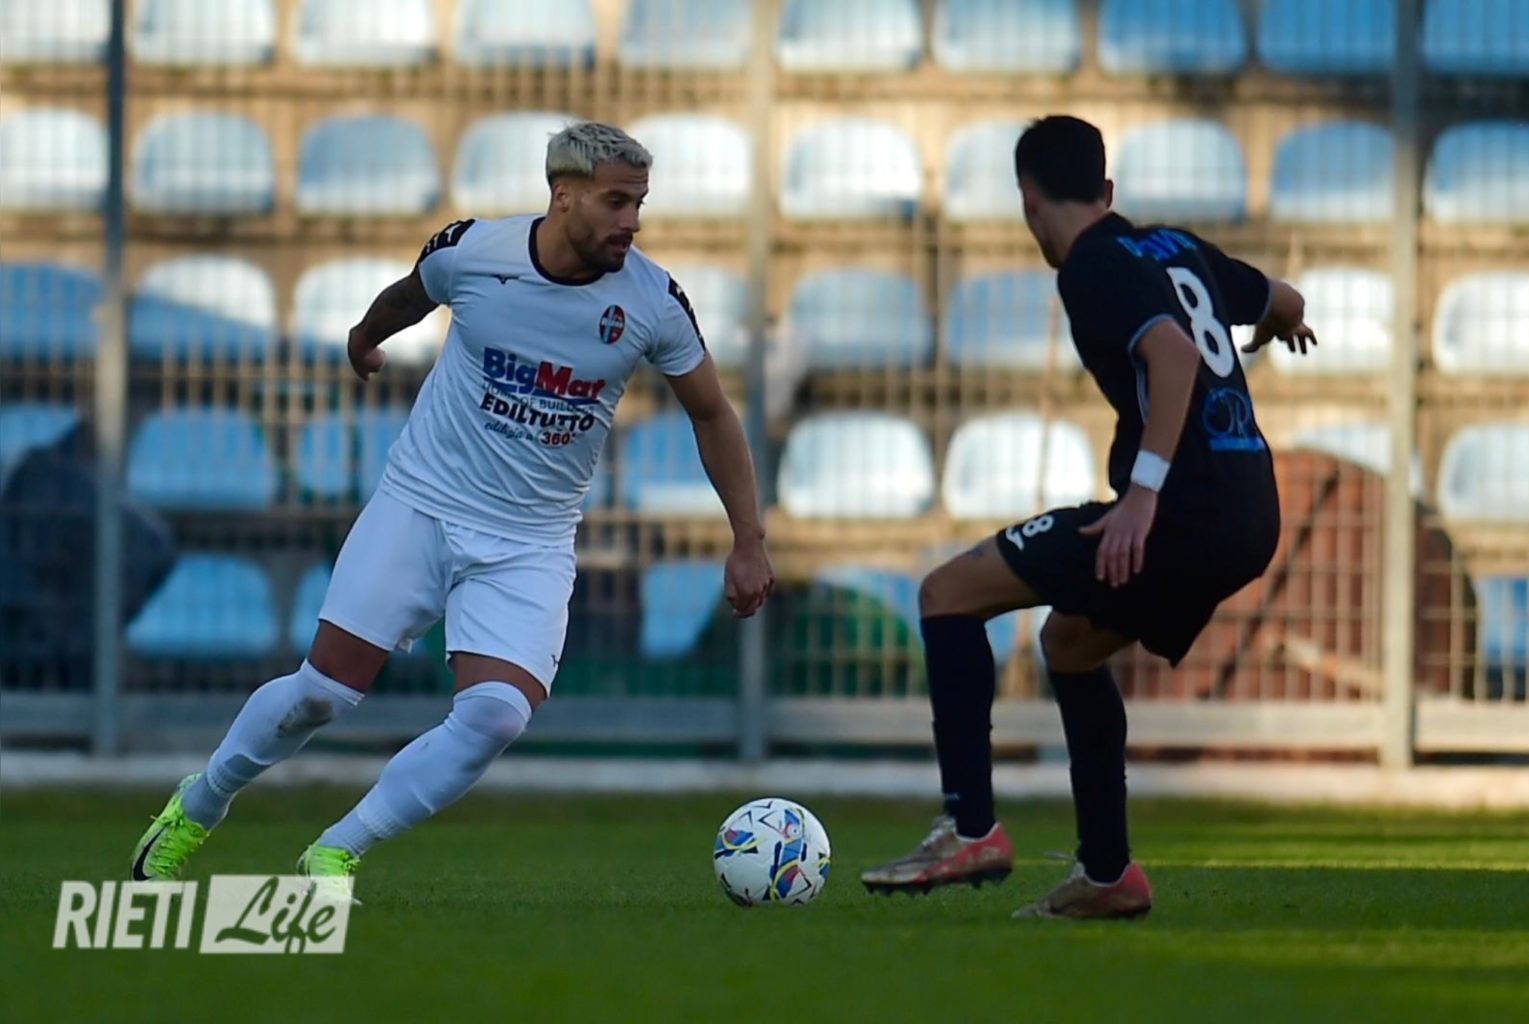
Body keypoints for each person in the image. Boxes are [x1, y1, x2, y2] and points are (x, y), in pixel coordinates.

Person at [130, 122, 776, 900]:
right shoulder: (476, 253)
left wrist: (748, 538)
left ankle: (335, 852)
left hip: (530, 539)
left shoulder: (652, 302)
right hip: (423, 506)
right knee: (322, 694)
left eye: (639, 203)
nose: (631, 222)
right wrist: (366, 337)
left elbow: (712, 414)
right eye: (615, 202)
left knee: (496, 716)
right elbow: (413, 291)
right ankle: (200, 803)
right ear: (563, 196)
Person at [860, 115, 1316, 919]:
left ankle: (969, 829)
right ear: (1107, 189)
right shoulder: (1175, 247)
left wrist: (1142, 494)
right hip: (1250, 511)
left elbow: (1173, 355)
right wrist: (1281, 323)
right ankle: (1109, 876)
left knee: (946, 594)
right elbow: (1284, 298)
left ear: (1029, 202)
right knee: (1069, 644)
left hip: (1182, 510)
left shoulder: (1092, 266)